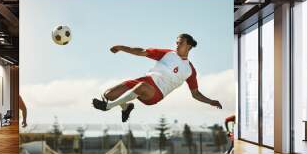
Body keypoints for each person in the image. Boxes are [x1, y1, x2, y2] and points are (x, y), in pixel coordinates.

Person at [92, 33, 222, 122]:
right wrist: (121, 47)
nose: (177, 45)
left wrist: (211, 101)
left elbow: (195, 93)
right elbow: (141, 51)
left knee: (141, 87)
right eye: (176, 43)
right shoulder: (167, 54)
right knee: (108, 94)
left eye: (180, 43)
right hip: (144, 81)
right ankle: (126, 108)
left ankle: (109, 107)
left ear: (188, 46)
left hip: (156, 93)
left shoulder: (189, 70)